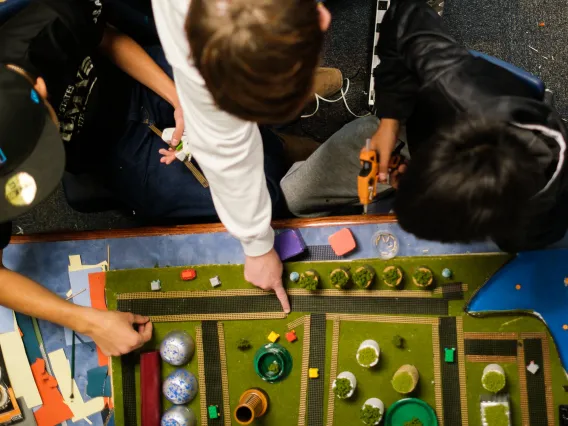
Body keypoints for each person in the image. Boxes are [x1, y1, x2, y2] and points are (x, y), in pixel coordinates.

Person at [0, 0, 210, 355]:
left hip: (129, 81)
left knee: (236, 92)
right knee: (230, 202)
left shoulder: (52, 18)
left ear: (40, 88)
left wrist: (177, 98)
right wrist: (89, 321)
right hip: (107, 153)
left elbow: (107, 40)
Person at [281, 0, 568, 252]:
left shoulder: (536, 221)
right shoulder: (453, 84)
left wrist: (409, 183)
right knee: (294, 197)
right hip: (413, 123)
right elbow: (402, 15)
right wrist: (390, 121)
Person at [151, 0, 341, 312]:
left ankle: (302, 85)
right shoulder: (189, 48)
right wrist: (257, 246)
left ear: (320, 16)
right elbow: (226, 155)